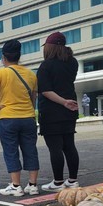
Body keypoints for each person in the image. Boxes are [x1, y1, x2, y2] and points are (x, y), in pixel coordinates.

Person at [0, 39, 40, 197]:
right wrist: (29, 110)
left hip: (7, 118)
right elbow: (33, 97)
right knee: (30, 150)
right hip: (28, 117)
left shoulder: (1, 73)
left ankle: (16, 186)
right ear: (19, 55)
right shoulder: (30, 74)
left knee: (11, 151)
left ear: (4, 57)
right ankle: (33, 185)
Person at [37, 32, 80, 192]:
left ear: (50, 47)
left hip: (51, 112)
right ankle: (73, 180)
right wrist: (67, 102)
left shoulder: (46, 65)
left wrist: (63, 102)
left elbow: (46, 91)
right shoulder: (73, 62)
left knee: (55, 147)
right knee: (69, 145)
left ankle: (57, 182)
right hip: (71, 109)